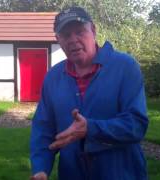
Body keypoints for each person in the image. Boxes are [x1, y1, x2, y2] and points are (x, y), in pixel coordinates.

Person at [30, 6, 149, 180]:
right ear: (58, 40)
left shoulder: (125, 67)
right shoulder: (53, 78)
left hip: (121, 173)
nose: (73, 40)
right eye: (66, 35)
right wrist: (40, 169)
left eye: (79, 31)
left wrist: (91, 128)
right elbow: (43, 129)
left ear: (93, 30)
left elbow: (136, 125)